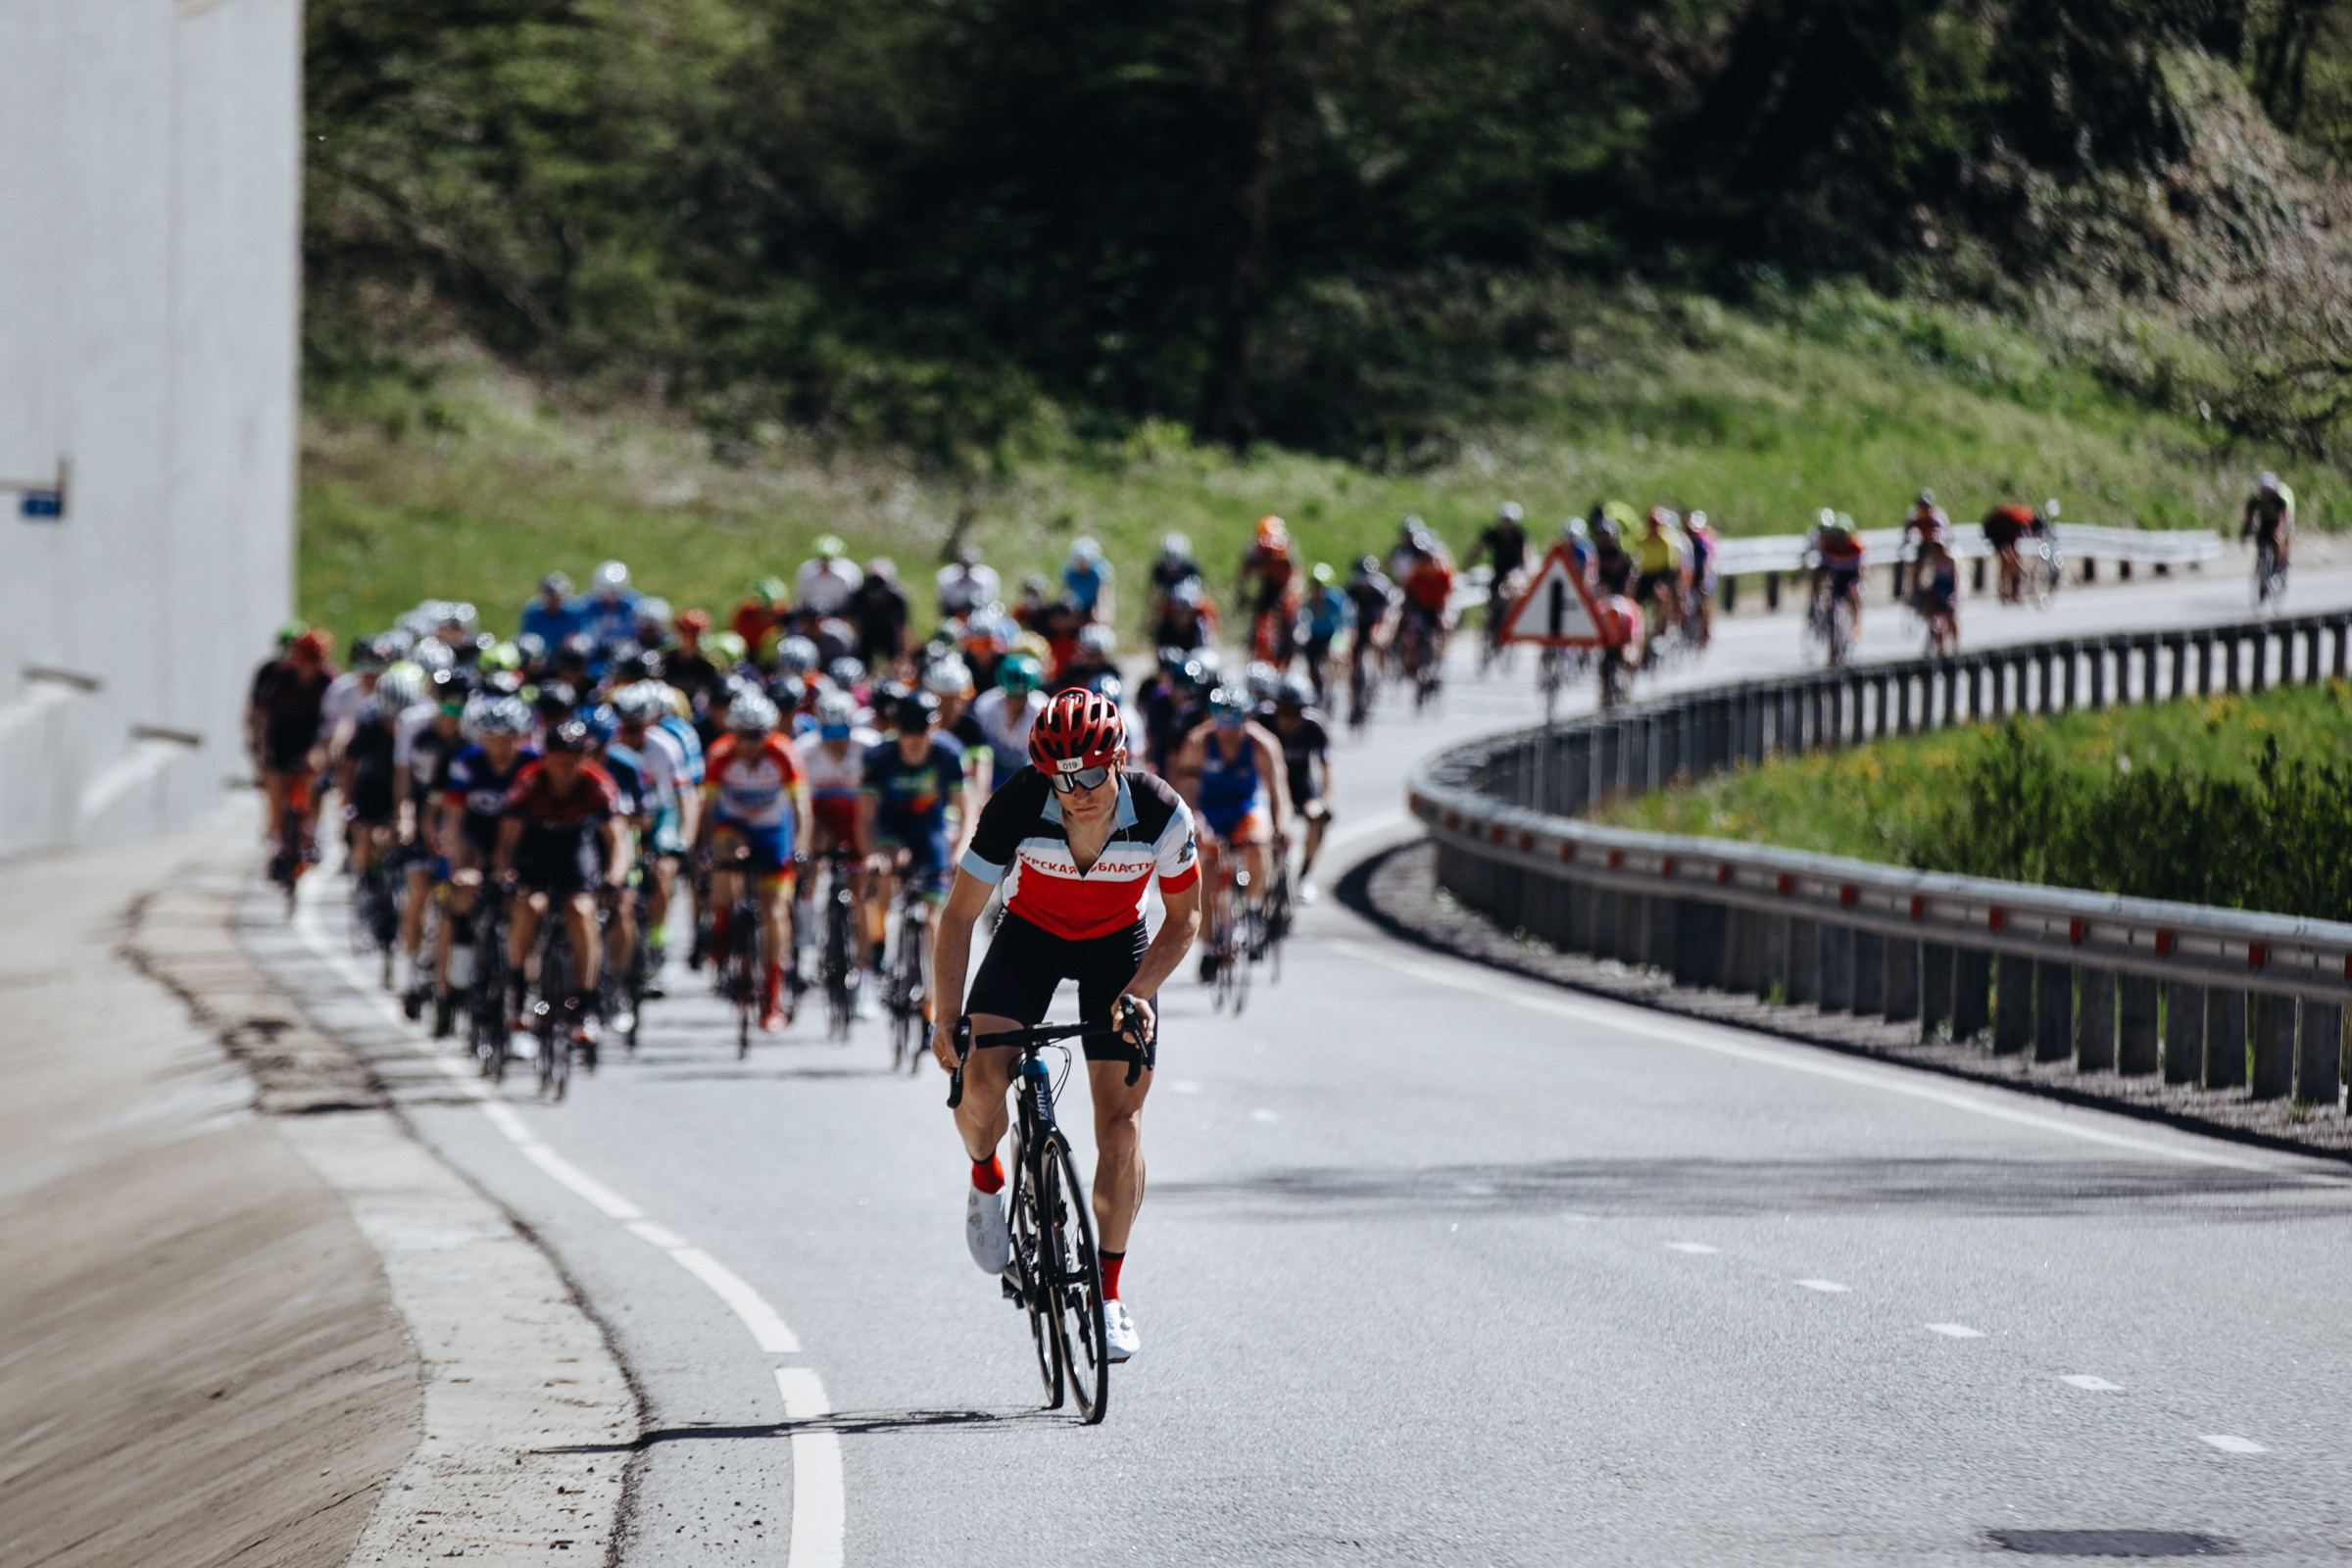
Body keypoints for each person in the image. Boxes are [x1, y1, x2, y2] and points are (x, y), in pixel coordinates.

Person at [932, 687, 1201, 1364]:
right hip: (1029, 939)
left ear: (1117, 759)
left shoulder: (1162, 811)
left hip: (1117, 948)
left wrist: (1141, 991)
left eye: (1086, 774)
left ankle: (1109, 1296)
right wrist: (945, 1015)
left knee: (1121, 1127)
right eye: (1059, 776)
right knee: (983, 1076)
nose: (1072, 790)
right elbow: (960, 916)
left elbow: (1185, 920)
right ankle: (987, 1178)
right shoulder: (1019, 802)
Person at [495, 719, 630, 1053]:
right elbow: (507, 841)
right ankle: (520, 992)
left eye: (573, 759)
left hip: (575, 849)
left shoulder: (597, 783)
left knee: (582, 910)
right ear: (546, 757)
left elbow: (618, 841)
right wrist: (505, 874)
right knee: (530, 906)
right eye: (559, 759)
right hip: (536, 849)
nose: (566, 767)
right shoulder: (529, 781)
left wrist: (614, 878)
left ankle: (585, 1004)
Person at [699, 693, 809, 1032]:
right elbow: (706, 810)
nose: (750, 743)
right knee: (724, 862)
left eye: (758, 734)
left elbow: (801, 808)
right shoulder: (720, 755)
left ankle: (772, 997)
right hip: (732, 828)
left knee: (775, 910)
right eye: (743, 735)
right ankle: (721, 928)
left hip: (772, 832)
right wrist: (703, 849)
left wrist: (801, 848)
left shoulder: (783, 754)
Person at [858, 691, 969, 1004]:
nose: (913, 741)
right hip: (892, 831)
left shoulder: (949, 754)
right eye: (906, 732)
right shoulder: (879, 757)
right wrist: (872, 856)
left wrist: (960, 851)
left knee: (935, 918)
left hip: (930, 831)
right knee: (883, 875)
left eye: (920, 732)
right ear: (896, 729)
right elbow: (864, 817)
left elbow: (966, 809)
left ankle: (934, 1000)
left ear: (932, 728)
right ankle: (878, 946)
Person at [1168, 685, 1291, 961]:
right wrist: (1194, 822)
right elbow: (1184, 789)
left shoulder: (1263, 744)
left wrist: (1280, 825)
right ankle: (1210, 946)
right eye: (1221, 720)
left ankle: (1253, 905)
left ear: (1247, 718)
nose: (1227, 729)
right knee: (1205, 875)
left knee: (1259, 844)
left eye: (1234, 721)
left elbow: (1278, 789)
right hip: (1208, 811)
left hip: (1244, 808)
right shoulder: (1198, 742)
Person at [435, 696, 539, 1020]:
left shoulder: (533, 764)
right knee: (463, 891)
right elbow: (453, 817)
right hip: (475, 835)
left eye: (509, 739)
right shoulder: (467, 761)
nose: (502, 746)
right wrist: (457, 864)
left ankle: (522, 996)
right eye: (494, 739)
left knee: (523, 908)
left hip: (521, 840)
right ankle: (457, 965)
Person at [250, 628, 337, 860]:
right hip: (283, 732)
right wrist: (260, 748)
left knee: (314, 778)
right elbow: (263, 715)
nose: (308, 668)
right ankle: (277, 835)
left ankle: (312, 829)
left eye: (314, 661)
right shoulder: (281, 677)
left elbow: (334, 722)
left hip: (312, 733)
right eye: (304, 661)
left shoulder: (329, 680)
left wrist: (323, 751)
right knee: (275, 780)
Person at [1264, 675, 1333, 904]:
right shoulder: (1260, 720)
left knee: (1318, 818)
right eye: (1281, 711)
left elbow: (1328, 768)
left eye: (1293, 712)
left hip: (1300, 784)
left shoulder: (1315, 726)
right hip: (1268, 785)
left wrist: (1325, 802)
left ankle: (1304, 875)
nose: (1285, 718)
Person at [1236, 514, 1300, 667]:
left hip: (1284, 587)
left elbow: (1295, 577)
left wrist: (1290, 599)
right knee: (1260, 619)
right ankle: (1254, 651)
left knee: (1290, 620)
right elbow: (1244, 576)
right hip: (1268, 585)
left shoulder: (1286, 551)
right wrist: (1241, 594)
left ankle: (1287, 656)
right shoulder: (1254, 552)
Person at [972, 653, 1047, 780]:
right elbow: (977, 747)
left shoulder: (1041, 709)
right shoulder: (985, 705)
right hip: (991, 768)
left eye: (1022, 697)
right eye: (1011, 696)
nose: (1016, 703)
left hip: (1027, 769)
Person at [1809, 509, 1869, 642]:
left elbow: (1861, 570)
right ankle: (1832, 639)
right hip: (1838, 573)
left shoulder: (1856, 546)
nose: (1838, 540)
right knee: (1831, 604)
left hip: (1852, 573)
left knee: (1854, 595)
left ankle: (1856, 623)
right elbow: (1823, 567)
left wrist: (1858, 584)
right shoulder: (1828, 544)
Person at [848, 558, 912, 674]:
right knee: (861, 667)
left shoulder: (897, 599)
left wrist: (903, 654)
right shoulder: (859, 595)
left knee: (896, 667)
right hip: (867, 633)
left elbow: (902, 627)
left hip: (889, 634)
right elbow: (851, 621)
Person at [1632, 506, 1688, 639]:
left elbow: (1669, 567)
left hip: (1664, 573)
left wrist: (1663, 584)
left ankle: (1663, 626)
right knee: (1633, 598)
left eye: (1657, 524)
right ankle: (1637, 627)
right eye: (1652, 524)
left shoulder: (1666, 541)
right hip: (1646, 574)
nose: (1654, 528)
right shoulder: (1640, 539)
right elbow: (1635, 560)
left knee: (1662, 594)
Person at [1298, 564, 1348, 707]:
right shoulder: (1308, 602)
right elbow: (1301, 620)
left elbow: (1343, 624)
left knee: (1332, 657)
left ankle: (1331, 689)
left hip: (1331, 634)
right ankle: (1315, 688)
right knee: (1310, 663)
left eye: (1320, 588)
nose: (1317, 591)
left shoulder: (1334, 602)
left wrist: (1341, 643)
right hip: (1315, 635)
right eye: (1314, 587)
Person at [2241, 470, 2295, 592]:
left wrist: (2279, 532)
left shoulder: (2279, 501)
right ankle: (2261, 577)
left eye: (2268, 492)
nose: (2265, 495)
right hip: (2265, 523)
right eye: (2263, 491)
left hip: (2278, 522)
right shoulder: (2255, 501)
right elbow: (2249, 520)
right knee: (2261, 547)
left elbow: (2283, 521)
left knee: (2278, 539)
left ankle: (2279, 565)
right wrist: (2245, 535)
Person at [575, 561, 642, 651]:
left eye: (615, 593)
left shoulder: (635, 605)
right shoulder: (586, 605)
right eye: (606, 594)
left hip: (626, 649)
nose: (611, 599)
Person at [1912, 533, 1961, 656]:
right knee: (1934, 615)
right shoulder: (1933, 560)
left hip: (1949, 589)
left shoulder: (1950, 560)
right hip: (1938, 588)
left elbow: (1956, 580)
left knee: (1951, 615)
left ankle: (1955, 644)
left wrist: (1954, 595)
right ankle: (1938, 645)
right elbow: (1926, 577)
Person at [1981, 499, 2036, 604]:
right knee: (2006, 559)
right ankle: (2004, 590)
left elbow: (2014, 550)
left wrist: (2019, 565)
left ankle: (2012, 590)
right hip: (1994, 528)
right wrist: (2022, 568)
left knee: (2010, 561)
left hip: (2002, 526)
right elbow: (2012, 549)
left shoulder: (2025, 518)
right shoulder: (2018, 523)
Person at [796, 535, 861, 618]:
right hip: (811, 615)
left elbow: (851, 603)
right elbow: (801, 599)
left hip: (839, 615)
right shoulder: (806, 573)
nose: (825, 564)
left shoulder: (846, 577)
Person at [1149, 576, 1215, 652]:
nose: (1183, 615)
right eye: (1179, 611)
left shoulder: (1198, 625)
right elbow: (1159, 648)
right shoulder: (1166, 626)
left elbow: (1205, 647)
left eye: (1187, 611)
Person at [1147, 533, 1202, 623]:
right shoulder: (1159, 570)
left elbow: (1199, 597)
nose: (1171, 566)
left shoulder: (1191, 570)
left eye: (1176, 559)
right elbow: (1152, 595)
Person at [936, 547, 1001, 620]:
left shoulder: (986, 580)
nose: (966, 569)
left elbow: (988, 602)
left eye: (969, 566)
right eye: (964, 565)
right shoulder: (946, 578)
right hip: (953, 614)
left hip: (978, 615)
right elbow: (943, 603)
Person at [1063, 536, 1116, 624]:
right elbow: (1065, 592)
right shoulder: (1070, 572)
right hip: (1077, 606)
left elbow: (1104, 594)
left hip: (1094, 607)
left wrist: (1102, 612)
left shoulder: (1099, 572)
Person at [520, 573, 581, 649]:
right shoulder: (533, 613)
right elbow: (526, 638)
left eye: (557, 598)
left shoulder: (573, 613)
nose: (553, 602)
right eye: (550, 598)